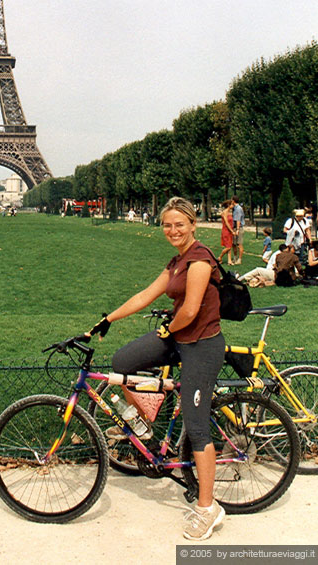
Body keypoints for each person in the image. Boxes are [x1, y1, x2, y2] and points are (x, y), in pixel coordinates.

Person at [84, 197, 225, 541]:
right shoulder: (177, 262)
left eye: (179, 224)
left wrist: (168, 329)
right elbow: (146, 295)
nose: (172, 230)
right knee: (122, 362)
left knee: (197, 428)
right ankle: (143, 422)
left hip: (201, 345)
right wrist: (108, 319)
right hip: (178, 337)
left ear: (193, 224)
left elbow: (190, 311)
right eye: (167, 225)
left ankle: (208, 508)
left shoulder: (200, 259)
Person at [217, 200, 235, 265]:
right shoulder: (224, 212)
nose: (233, 205)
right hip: (226, 231)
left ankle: (229, 261)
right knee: (228, 247)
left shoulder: (229, 212)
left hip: (230, 231)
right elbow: (226, 223)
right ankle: (220, 257)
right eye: (232, 204)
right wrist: (232, 231)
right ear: (228, 205)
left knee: (229, 245)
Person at [231, 196, 245, 265]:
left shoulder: (238, 209)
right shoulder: (234, 208)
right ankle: (235, 257)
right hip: (234, 228)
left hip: (238, 228)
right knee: (234, 244)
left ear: (233, 201)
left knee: (239, 244)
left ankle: (239, 259)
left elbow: (238, 220)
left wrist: (237, 229)